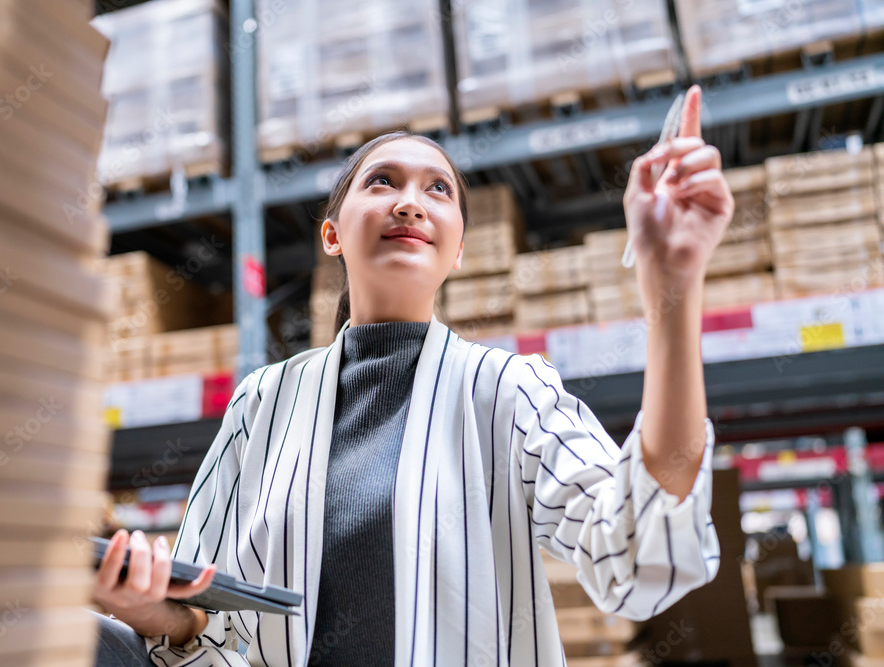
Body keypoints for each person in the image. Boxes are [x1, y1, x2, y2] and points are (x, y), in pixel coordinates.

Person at [90, 84, 733, 666]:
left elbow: (638, 556)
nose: (409, 203)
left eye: (437, 190)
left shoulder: (510, 391)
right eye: (382, 183)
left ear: (456, 251)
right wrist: (147, 607)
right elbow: (207, 617)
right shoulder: (263, 401)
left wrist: (672, 288)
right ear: (332, 236)